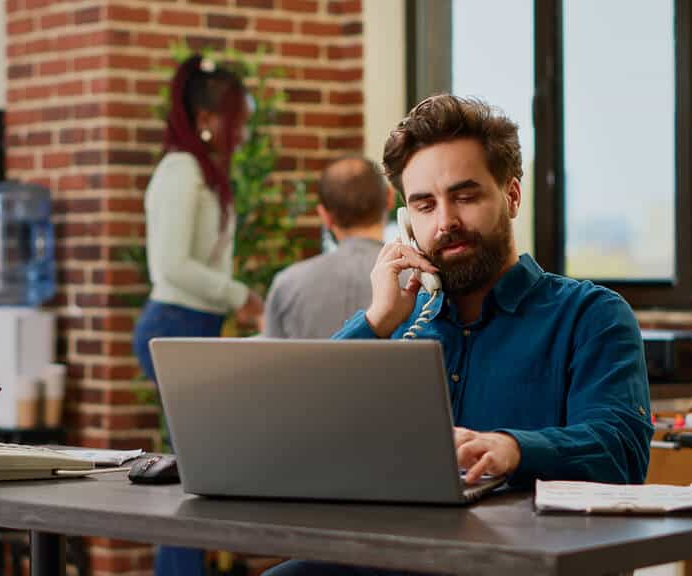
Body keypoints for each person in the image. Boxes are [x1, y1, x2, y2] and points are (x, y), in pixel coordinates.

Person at [264, 95, 653, 576]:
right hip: (403, 555)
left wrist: (512, 449)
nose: (445, 221)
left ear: (511, 196)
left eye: (465, 196)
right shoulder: (401, 323)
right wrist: (378, 318)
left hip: (523, 561)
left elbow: (621, 449)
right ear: (406, 221)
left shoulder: (592, 315)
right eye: (424, 205)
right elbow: (298, 433)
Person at [131, 54, 262, 576]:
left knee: (198, 470)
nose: (244, 132)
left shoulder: (200, 171)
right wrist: (242, 297)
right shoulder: (180, 171)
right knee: (195, 476)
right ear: (208, 120)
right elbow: (171, 266)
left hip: (192, 328)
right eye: (239, 119)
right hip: (174, 326)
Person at [262, 157, 393, 339]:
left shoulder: (287, 286)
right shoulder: (420, 281)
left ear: (325, 216)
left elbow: (270, 364)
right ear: (390, 198)